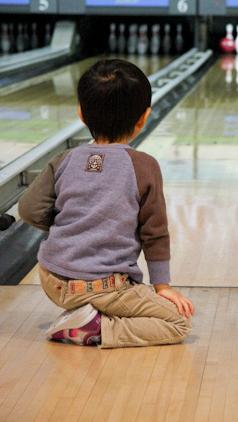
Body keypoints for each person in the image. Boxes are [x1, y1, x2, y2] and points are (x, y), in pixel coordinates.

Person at [18, 58, 194, 348]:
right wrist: (163, 287)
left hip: (51, 278)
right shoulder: (144, 166)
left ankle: (83, 315)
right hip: (103, 287)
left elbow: (28, 210)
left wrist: (73, 222)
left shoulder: (64, 159)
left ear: (81, 114)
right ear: (144, 118)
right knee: (178, 322)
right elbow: (155, 233)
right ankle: (95, 329)